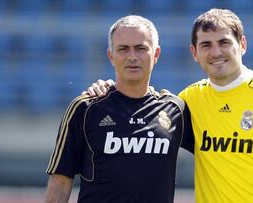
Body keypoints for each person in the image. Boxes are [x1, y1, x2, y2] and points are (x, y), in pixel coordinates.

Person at [86, 9, 253, 203]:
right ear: (194, 52)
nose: (216, 52)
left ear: (242, 45)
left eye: (224, 42)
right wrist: (109, 89)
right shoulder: (187, 101)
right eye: (206, 45)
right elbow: (139, 109)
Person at [44, 15, 193, 203]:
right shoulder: (85, 108)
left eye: (141, 48)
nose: (132, 57)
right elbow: (60, 181)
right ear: (111, 56)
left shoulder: (174, 109)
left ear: (156, 54)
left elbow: (216, 152)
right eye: (123, 49)